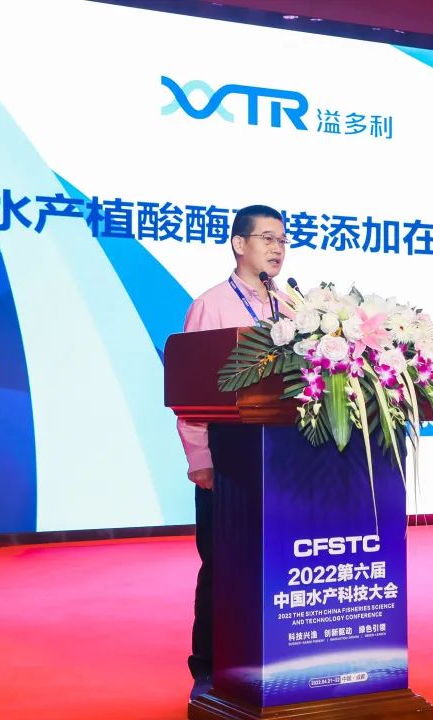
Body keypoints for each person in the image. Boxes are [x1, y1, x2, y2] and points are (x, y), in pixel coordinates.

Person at [177, 204, 289, 700]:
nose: (277, 248)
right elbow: (190, 391)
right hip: (228, 460)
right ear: (239, 244)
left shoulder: (292, 306)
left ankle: (268, 657)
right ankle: (208, 667)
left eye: (282, 240)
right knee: (222, 566)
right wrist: (200, 458)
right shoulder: (211, 306)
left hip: (282, 461)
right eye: (267, 238)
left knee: (273, 563)